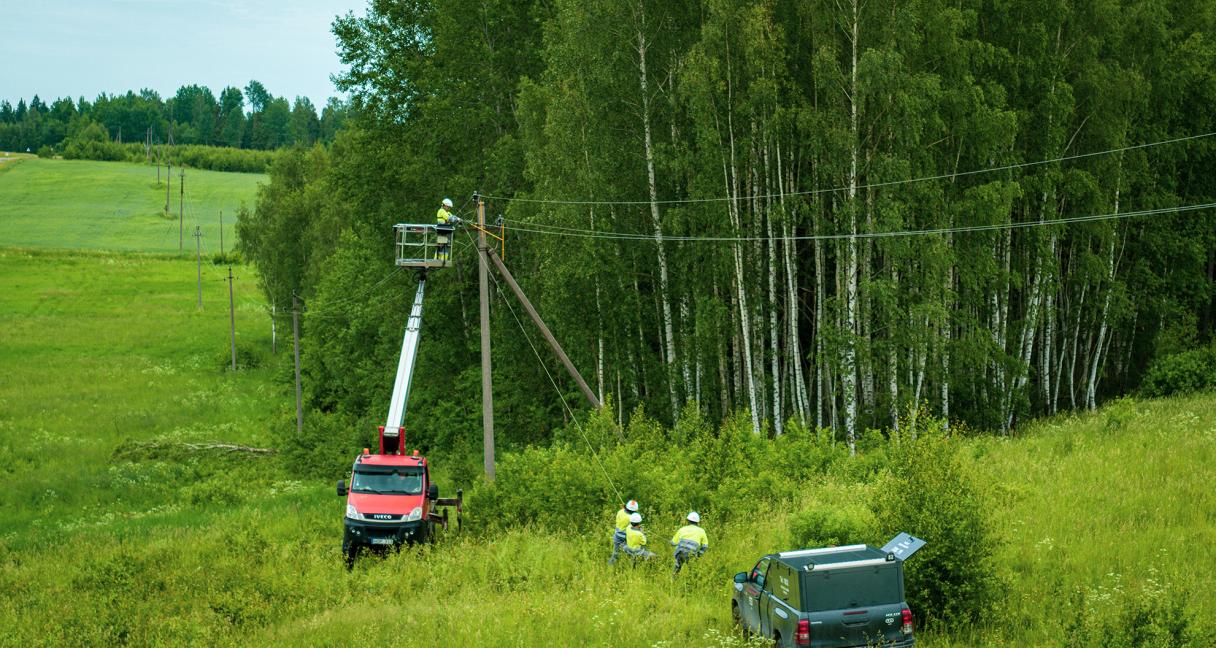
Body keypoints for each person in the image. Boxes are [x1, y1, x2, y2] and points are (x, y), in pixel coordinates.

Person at [609, 499, 640, 565]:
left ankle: (610, 565)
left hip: (617, 535)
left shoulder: (620, 511)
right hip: (626, 537)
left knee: (615, 553)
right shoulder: (632, 517)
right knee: (632, 551)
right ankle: (633, 566)